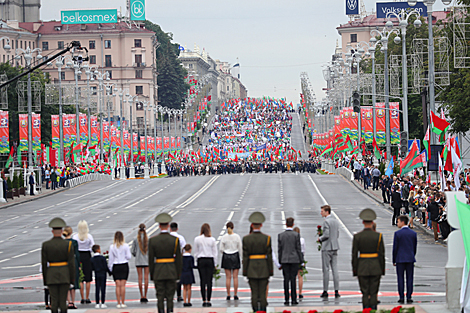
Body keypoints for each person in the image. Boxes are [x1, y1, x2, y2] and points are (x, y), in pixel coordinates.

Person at [352, 208, 385, 311]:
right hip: (375, 266)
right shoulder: (378, 236)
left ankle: (366, 309)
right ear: (372, 222)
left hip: (362, 267)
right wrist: (382, 269)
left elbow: (354, 255)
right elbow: (381, 255)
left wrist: (355, 270)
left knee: (365, 292)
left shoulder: (357, 236)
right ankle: (374, 309)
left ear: (363, 222)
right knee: (374, 292)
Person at [148, 213, 183, 313]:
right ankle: (170, 310)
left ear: (159, 226)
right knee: (170, 295)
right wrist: (178, 273)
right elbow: (179, 259)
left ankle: (161, 310)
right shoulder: (175, 240)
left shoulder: (153, 240)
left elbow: (151, 259)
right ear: (168, 226)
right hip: (171, 270)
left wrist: (152, 273)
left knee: (160, 294)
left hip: (158, 271)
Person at [41, 217, 76, 313]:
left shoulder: (46, 245)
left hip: (51, 276)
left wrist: (45, 280)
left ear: (52, 231)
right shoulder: (68, 245)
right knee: (63, 301)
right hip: (64, 275)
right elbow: (71, 264)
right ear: (61, 231)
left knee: (54, 302)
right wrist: (72, 279)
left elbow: (44, 264)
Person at [243, 212, 273, 312]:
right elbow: (269, 256)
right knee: (263, 293)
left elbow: (245, 257)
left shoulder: (246, 239)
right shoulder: (267, 238)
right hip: (264, 269)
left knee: (254, 293)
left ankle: (255, 310)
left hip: (251, 269)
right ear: (261, 225)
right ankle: (263, 310)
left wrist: (245, 272)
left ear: (252, 225)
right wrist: (271, 271)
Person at [392, 215, 417, 304]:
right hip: (410, 258)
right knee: (410, 278)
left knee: (400, 278)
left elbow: (395, 248)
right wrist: (412, 255)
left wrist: (394, 259)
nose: (397, 223)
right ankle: (409, 296)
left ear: (402, 222)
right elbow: (414, 247)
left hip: (400, 259)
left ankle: (401, 296)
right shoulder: (413, 234)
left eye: (398, 221)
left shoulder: (397, 234)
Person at [278, 217, 303, 305]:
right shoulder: (296, 235)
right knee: (293, 279)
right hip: (294, 259)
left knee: (286, 279)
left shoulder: (281, 235)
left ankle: (286, 299)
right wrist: (301, 260)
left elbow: (280, 250)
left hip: (284, 259)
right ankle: (293, 298)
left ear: (286, 224)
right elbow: (298, 249)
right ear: (293, 224)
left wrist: (279, 261)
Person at [318, 205, 340, 299]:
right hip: (334, 246)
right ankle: (336, 291)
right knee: (335, 269)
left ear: (327, 212)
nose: (321, 213)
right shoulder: (335, 221)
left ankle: (325, 290)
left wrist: (320, 238)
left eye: (322, 211)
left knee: (326, 269)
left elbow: (326, 235)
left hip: (327, 247)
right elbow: (337, 233)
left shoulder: (326, 222)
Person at [193, 223, 218, 307]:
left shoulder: (197, 239)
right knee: (209, 281)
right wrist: (215, 263)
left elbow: (196, 252)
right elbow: (215, 253)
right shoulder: (212, 240)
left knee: (203, 281)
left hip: (201, 260)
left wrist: (196, 261)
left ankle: (204, 299)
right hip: (210, 259)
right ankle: (209, 299)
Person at [72, 220, 94, 304]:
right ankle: (87, 297)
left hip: (79, 256)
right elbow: (93, 247)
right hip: (87, 256)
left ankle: (82, 297)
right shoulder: (89, 236)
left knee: (81, 278)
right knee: (88, 279)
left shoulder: (75, 237)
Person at [219, 221, 242, 301]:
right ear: (233, 227)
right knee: (235, 277)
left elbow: (221, 249)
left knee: (228, 277)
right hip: (235, 255)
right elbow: (240, 248)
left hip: (226, 256)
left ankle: (228, 294)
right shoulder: (237, 237)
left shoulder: (224, 237)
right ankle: (235, 294)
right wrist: (241, 257)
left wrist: (225, 252)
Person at [108, 231, 131, 308]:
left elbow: (111, 258)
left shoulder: (112, 247)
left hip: (116, 265)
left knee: (117, 285)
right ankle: (123, 302)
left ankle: (118, 303)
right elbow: (129, 256)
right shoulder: (126, 246)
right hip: (124, 265)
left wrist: (110, 268)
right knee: (123, 285)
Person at [131, 223, 150, 303]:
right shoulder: (147, 239)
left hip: (138, 260)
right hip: (146, 260)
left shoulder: (136, 239)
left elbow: (133, 251)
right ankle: (145, 295)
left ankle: (141, 295)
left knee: (140, 278)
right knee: (146, 278)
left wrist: (136, 255)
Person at [63, 226, 80, 309]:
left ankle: (68, 301)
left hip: (64, 263)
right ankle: (73, 302)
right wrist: (79, 265)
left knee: (67, 283)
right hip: (73, 262)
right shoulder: (74, 242)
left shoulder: (62, 242)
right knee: (74, 283)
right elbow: (77, 254)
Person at [170, 222, 186, 302]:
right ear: (177, 228)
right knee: (178, 277)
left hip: (169, 259)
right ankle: (179, 295)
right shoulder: (180, 238)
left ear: (170, 228)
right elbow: (184, 248)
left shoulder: (168, 237)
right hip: (178, 259)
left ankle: (169, 295)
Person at [293, 227, 305, 300]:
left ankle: (294, 291)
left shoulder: (291, 240)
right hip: (300, 257)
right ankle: (300, 292)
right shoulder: (302, 240)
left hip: (293, 257)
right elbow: (304, 250)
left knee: (293, 276)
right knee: (300, 276)